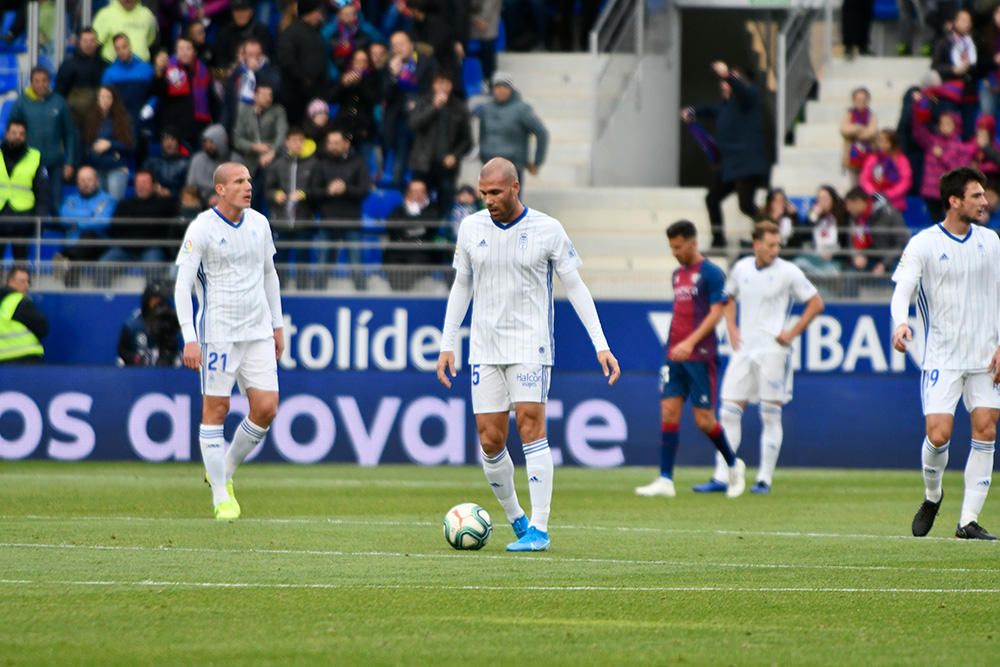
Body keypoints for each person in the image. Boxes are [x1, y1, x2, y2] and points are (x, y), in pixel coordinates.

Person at [436, 157, 620, 552]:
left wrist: (600, 343)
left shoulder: (547, 229)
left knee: (531, 426)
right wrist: (447, 342)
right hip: (484, 348)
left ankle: (539, 527)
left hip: (530, 345)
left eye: (496, 192)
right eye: (483, 193)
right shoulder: (470, 228)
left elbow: (576, 287)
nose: (488, 200)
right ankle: (516, 517)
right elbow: (461, 287)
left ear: (515, 188)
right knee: (489, 439)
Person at [892, 166, 1000, 540]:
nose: (984, 201)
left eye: (984, 195)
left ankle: (968, 521)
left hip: (986, 356)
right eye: (976, 196)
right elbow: (903, 289)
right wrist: (899, 322)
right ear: (954, 201)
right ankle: (932, 495)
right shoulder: (923, 243)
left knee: (986, 427)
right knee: (938, 435)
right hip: (942, 356)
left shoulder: (992, 241)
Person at [174, 161, 284, 521]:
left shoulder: (260, 223)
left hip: (257, 331)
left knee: (266, 407)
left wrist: (277, 325)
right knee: (216, 410)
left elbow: (270, 275)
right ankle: (221, 495)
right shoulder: (202, 228)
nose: (248, 186)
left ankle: (224, 469)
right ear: (220, 189)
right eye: (239, 181)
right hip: (218, 333)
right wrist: (190, 338)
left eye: (249, 180)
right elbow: (182, 285)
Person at [693, 222, 824, 494]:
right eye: (771, 245)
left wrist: (792, 332)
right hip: (744, 350)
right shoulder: (741, 268)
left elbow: (816, 303)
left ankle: (764, 479)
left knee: (769, 414)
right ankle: (723, 475)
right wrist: (731, 327)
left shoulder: (789, 271)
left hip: (774, 352)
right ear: (756, 244)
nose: (775, 250)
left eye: (778, 245)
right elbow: (727, 297)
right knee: (728, 411)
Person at [634, 220, 745, 499]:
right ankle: (665, 479)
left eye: (678, 246)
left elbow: (717, 312)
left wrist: (690, 342)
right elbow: (680, 313)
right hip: (675, 355)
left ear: (693, 243)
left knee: (704, 420)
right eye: (671, 247)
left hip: (700, 355)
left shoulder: (711, 273)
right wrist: (674, 345)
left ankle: (734, 465)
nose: (674, 252)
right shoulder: (677, 275)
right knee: (669, 412)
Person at [682, 61, 769, 249]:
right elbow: (706, 109)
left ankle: (773, 228)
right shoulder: (725, 107)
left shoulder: (750, 97)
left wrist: (727, 74)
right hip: (730, 166)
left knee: (745, 205)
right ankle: (718, 241)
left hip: (747, 164)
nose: (723, 84)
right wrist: (691, 111)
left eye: (728, 81)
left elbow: (744, 91)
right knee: (712, 198)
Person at [9, 66, 78, 212]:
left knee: (55, 202)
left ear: (49, 82)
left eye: (44, 81)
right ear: (31, 82)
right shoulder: (21, 103)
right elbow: (12, 133)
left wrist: (70, 162)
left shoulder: (59, 102)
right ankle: (32, 230)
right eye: (37, 81)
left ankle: (55, 229)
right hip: (29, 164)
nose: (41, 84)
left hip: (55, 163)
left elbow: (70, 134)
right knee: (31, 200)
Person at [408, 71, 472, 213]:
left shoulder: (459, 108)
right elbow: (414, 124)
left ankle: (443, 232)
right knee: (419, 202)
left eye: (446, 83)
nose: (443, 87)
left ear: (451, 85)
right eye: (439, 83)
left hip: (446, 166)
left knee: (446, 201)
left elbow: (467, 141)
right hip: (422, 163)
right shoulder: (423, 102)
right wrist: (434, 108)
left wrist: (455, 155)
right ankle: (420, 232)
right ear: (433, 85)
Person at [383, 30, 437, 186]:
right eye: (394, 46)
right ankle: (398, 197)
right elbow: (385, 94)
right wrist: (393, 75)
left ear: (411, 44)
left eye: (401, 44)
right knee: (400, 160)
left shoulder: (428, 62)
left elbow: (433, 89)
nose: (398, 48)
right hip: (400, 121)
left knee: (423, 162)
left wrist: (418, 103)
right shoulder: (390, 66)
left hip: (423, 120)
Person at [477, 71, 548, 187]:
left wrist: (537, 161)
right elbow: (482, 134)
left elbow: (541, 133)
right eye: (497, 86)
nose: (501, 90)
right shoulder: (486, 109)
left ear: (511, 89)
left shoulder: (522, 110)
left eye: (505, 86)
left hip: (512, 168)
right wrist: (483, 155)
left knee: (510, 204)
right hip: (490, 167)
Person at [152, 36, 216, 149]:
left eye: (188, 48)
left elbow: (211, 99)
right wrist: (159, 73)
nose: (184, 52)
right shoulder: (168, 70)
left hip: (198, 128)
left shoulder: (204, 71)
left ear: (195, 52)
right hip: (175, 129)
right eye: (180, 49)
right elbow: (158, 93)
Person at [105, 169, 181, 264]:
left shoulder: (165, 203)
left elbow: (179, 212)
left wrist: (168, 195)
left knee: (153, 266)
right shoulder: (124, 204)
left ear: (153, 185)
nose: (141, 186)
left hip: (152, 249)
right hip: (126, 249)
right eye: (138, 182)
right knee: (104, 264)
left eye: (145, 182)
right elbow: (115, 226)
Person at [0, 120, 49, 263]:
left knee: (21, 265)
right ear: (7, 134)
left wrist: (40, 217)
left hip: (23, 217)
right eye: (14, 133)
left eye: (21, 134)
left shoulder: (35, 157)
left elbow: (43, 192)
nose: (17, 137)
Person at [383, 178, 443, 291]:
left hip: (420, 252)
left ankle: (404, 297)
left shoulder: (432, 209)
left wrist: (406, 228)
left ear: (426, 193)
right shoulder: (398, 210)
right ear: (408, 193)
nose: (417, 194)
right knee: (393, 269)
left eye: (421, 191)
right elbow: (390, 227)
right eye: (414, 191)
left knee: (411, 272)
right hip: (397, 252)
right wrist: (416, 226)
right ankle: (399, 296)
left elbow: (430, 227)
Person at [276, 0, 328, 125]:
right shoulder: (290, 33)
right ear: (309, 13)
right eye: (317, 12)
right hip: (295, 95)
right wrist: (304, 78)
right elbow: (286, 60)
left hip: (315, 93)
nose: (320, 16)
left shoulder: (317, 32)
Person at [81, 86, 135, 201]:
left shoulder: (123, 119)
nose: (105, 100)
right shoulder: (91, 119)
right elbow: (86, 144)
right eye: (102, 97)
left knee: (113, 205)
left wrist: (110, 145)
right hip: (97, 168)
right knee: (99, 206)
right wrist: (92, 151)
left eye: (108, 97)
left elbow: (131, 144)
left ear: (114, 100)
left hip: (116, 168)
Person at [843, 188, 911, 274]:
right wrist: (856, 256)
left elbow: (901, 243)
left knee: (898, 274)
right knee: (850, 274)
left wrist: (884, 264)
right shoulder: (854, 218)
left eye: (850, 205)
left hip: (893, 258)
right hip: (870, 257)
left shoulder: (890, 214)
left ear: (859, 202)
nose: (848, 209)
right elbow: (851, 242)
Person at [101, 33, 155, 136]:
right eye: (117, 49)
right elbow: (104, 98)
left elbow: (155, 92)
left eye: (124, 47)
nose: (121, 51)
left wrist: (150, 107)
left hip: (143, 118)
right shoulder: (109, 73)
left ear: (130, 46)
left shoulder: (146, 69)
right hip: (119, 120)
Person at [117, 281, 181, 367]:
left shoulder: (170, 321)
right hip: (138, 371)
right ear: (147, 300)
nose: (157, 303)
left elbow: (175, 349)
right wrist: (136, 359)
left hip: (165, 371)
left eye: (160, 300)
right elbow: (122, 351)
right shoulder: (133, 325)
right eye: (154, 299)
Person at [54, 27, 107, 131]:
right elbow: (59, 93)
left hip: (99, 121)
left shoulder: (104, 65)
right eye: (85, 41)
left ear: (96, 43)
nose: (89, 44)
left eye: (92, 41)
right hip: (75, 121)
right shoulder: (68, 65)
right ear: (79, 42)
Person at [0, 266, 47, 364]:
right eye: (22, 281)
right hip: (25, 357)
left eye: (27, 281)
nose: (26, 285)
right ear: (10, 281)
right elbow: (42, 326)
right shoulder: (18, 301)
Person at [859, 128, 912, 212]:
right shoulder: (873, 158)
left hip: (895, 204)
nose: (881, 144)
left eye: (885, 141)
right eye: (880, 141)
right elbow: (864, 179)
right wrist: (874, 193)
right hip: (874, 203)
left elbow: (905, 182)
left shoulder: (901, 160)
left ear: (893, 142)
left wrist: (887, 194)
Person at [93, 0, 158, 63]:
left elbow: (150, 39)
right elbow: (95, 42)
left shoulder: (147, 15)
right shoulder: (105, 15)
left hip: (142, 69)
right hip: (113, 68)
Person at [215, 0, 273, 70]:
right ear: (232, 13)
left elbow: (267, 58)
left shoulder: (262, 31)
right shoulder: (224, 33)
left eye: (243, 10)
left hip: (258, 73)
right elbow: (221, 61)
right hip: (232, 74)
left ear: (251, 12)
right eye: (237, 10)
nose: (240, 14)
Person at [839, 87, 878, 185]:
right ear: (853, 100)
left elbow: (871, 133)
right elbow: (844, 130)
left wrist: (854, 131)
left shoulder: (871, 115)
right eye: (858, 99)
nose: (861, 102)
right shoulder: (849, 114)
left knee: (867, 185)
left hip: (868, 154)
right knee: (854, 186)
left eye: (864, 100)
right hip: (852, 157)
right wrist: (859, 127)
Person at [187, 124, 235, 203]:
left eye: (211, 142)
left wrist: (220, 198)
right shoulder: (197, 160)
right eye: (205, 142)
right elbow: (190, 187)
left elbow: (239, 190)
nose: (207, 146)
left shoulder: (234, 161)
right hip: (201, 203)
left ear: (221, 142)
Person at [143, 126, 191, 199]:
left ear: (178, 142)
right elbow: (144, 180)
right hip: (154, 198)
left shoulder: (186, 163)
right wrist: (155, 188)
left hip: (178, 200)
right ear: (161, 142)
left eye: (172, 139)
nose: (169, 142)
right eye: (166, 139)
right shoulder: (152, 162)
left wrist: (171, 193)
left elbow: (188, 187)